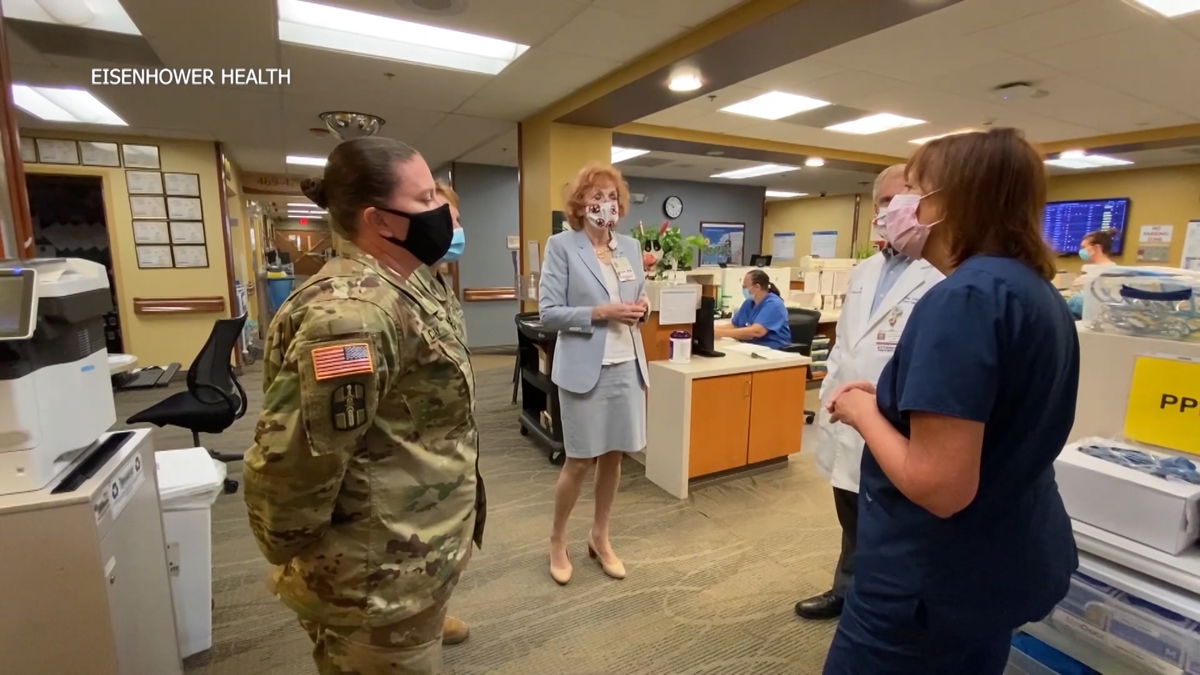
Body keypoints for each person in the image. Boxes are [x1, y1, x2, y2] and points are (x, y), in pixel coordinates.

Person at [821, 128, 1079, 674]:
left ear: (952, 200)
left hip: (929, 583)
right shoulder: (1031, 291)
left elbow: (940, 486)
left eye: (913, 190)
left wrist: (865, 414)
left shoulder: (963, 299)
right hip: (994, 564)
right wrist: (889, 404)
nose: (899, 207)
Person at [243, 137, 482, 674]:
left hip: (414, 547)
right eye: (425, 199)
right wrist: (297, 556)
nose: (443, 211)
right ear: (379, 221)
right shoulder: (353, 317)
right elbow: (296, 465)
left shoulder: (410, 283)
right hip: (374, 576)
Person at [794, 164, 944, 621]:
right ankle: (846, 591)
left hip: (900, 420)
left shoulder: (940, 273)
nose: (895, 209)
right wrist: (829, 398)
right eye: (886, 201)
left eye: (906, 198)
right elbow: (845, 343)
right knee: (852, 511)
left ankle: (883, 607)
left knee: (895, 522)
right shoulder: (864, 271)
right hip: (849, 413)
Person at [538, 163, 650, 585]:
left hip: (627, 364)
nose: (606, 204)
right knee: (580, 460)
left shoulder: (630, 247)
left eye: (612, 197)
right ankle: (557, 539)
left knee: (614, 455)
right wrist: (601, 312)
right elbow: (549, 313)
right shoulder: (562, 246)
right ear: (580, 202)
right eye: (596, 196)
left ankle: (600, 537)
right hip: (585, 368)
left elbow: (639, 296)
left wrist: (643, 309)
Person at [403, 178, 476, 647]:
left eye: (457, 220)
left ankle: (431, 610)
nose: (456, 230)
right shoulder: (389, 292)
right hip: (403, 460)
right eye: (447, 221)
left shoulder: (435, 283)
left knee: (437, 545)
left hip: (440, 452)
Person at [715, 269, 792, 349]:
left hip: (774, 349)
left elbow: (757, 331)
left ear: (757, 287)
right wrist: (711, 329)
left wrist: (721, 333)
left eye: (745, 287)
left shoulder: (774, 304)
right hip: (752, 347)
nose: (743, 290)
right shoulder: (749, 303)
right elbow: (735, 325)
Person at [1066, 229, 1117, 319]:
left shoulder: (1107, 274)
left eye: (1084, 247)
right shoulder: (1114, 271)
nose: (1081, 251)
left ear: (1096, 248)